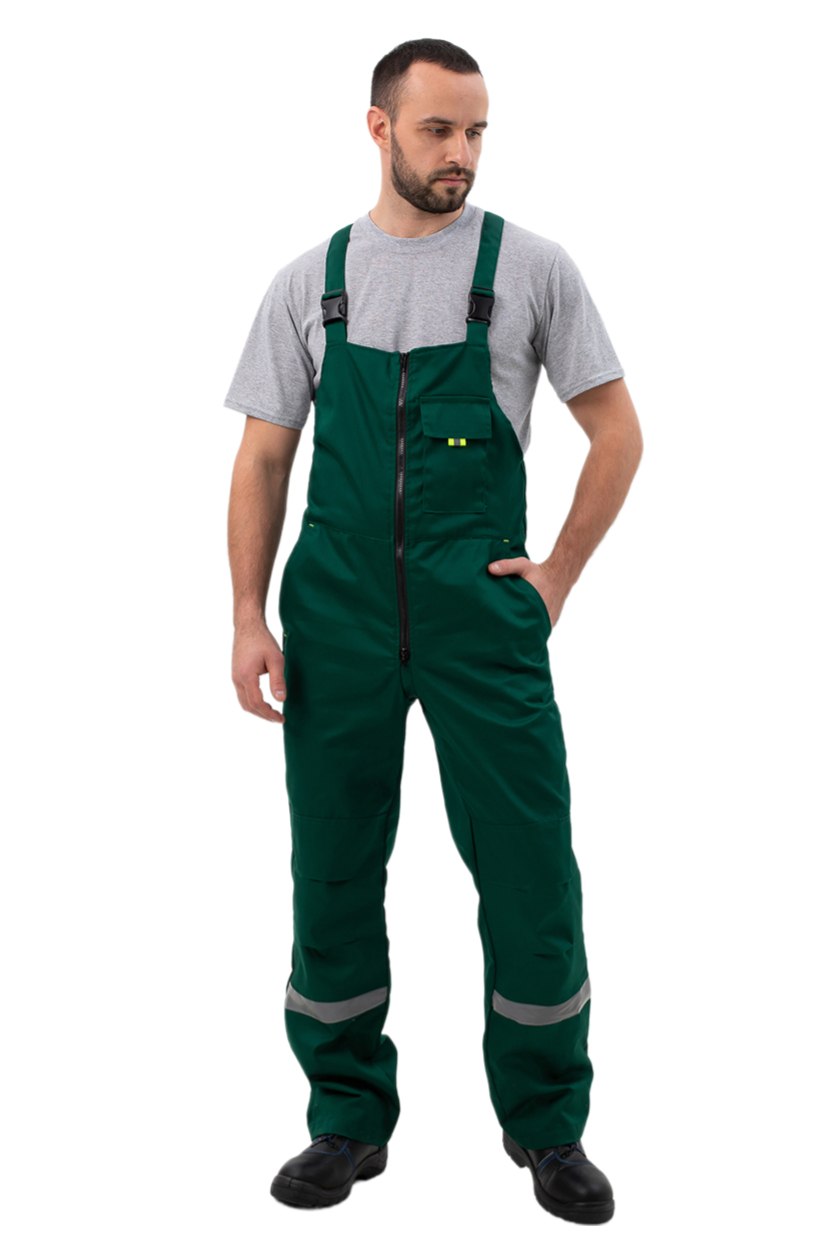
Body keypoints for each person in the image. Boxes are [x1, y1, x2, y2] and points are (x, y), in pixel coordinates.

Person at [224, 38, 642, 1224]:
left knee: (528, 868)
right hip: (337, 618)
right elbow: (263, 460)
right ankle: (346, 1119)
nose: (461, 153)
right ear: (380, 128)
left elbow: (619, 433)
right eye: (438, 130)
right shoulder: (311, 282)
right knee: (334, 866)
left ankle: (548, 1126)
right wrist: (248, 615)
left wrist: (557, 576)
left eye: (476, 132)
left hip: (482, 618)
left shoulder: (531, 269)